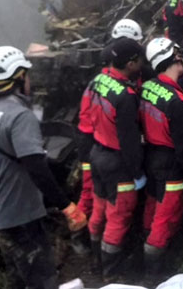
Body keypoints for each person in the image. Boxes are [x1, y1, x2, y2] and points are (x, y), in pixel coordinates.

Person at [0, 46, 87, 289]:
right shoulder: (19, 116)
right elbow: (36, 166)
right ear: (18, 77)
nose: (30, 80)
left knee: (18, 281)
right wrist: (66, 206)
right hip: (22, 218)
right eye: (26, 74)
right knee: (43, 279)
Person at [77, 38, 146, 279]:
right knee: (119, 217)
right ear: (130, 63)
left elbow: (85, 114)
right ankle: (111, 274)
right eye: (139, 60)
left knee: (99, 209)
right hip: (117, 163)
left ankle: (95, 258)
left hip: (97, 154)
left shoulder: (99, 80)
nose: (142, 64)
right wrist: (137, 173)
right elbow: (129, 141)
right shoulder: (125, 96)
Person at [76, 18, 146, 219]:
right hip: (94, 139)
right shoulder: (110, 77)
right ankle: (78, 233)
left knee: (95, 192)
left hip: (94, 136)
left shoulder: (103, 72)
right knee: (90, 192)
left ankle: (86, 232)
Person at [139, 38, 183, 272]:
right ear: (172, 59)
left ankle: (143, 245)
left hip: (150, 158)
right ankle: (153, 271)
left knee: (152, 207)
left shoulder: (146, 87)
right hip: (171, 163)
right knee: (166, 215)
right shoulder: (175, 100)